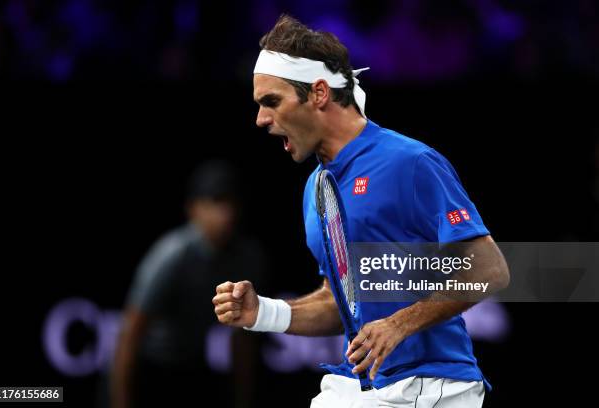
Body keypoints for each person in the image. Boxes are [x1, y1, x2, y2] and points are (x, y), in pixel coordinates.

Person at [213, 14, 509, 408]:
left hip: (430, 383)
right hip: (362, 385)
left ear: (319, 93)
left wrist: (399, 323)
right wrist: (262, 313)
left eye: (272, 101)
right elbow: (342, 301)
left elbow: (489, 268)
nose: (261, 119)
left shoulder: (410, 162)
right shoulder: (316, 189)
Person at [112, 160, 266, 408]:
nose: (225, 213)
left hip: (192, 366)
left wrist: (243, 400)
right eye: (215, 202)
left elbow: (243, 340)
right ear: (194, 209)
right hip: (149, 369)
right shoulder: (171, 255)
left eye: (230, 202)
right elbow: (131, 334)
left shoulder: (247, 258)